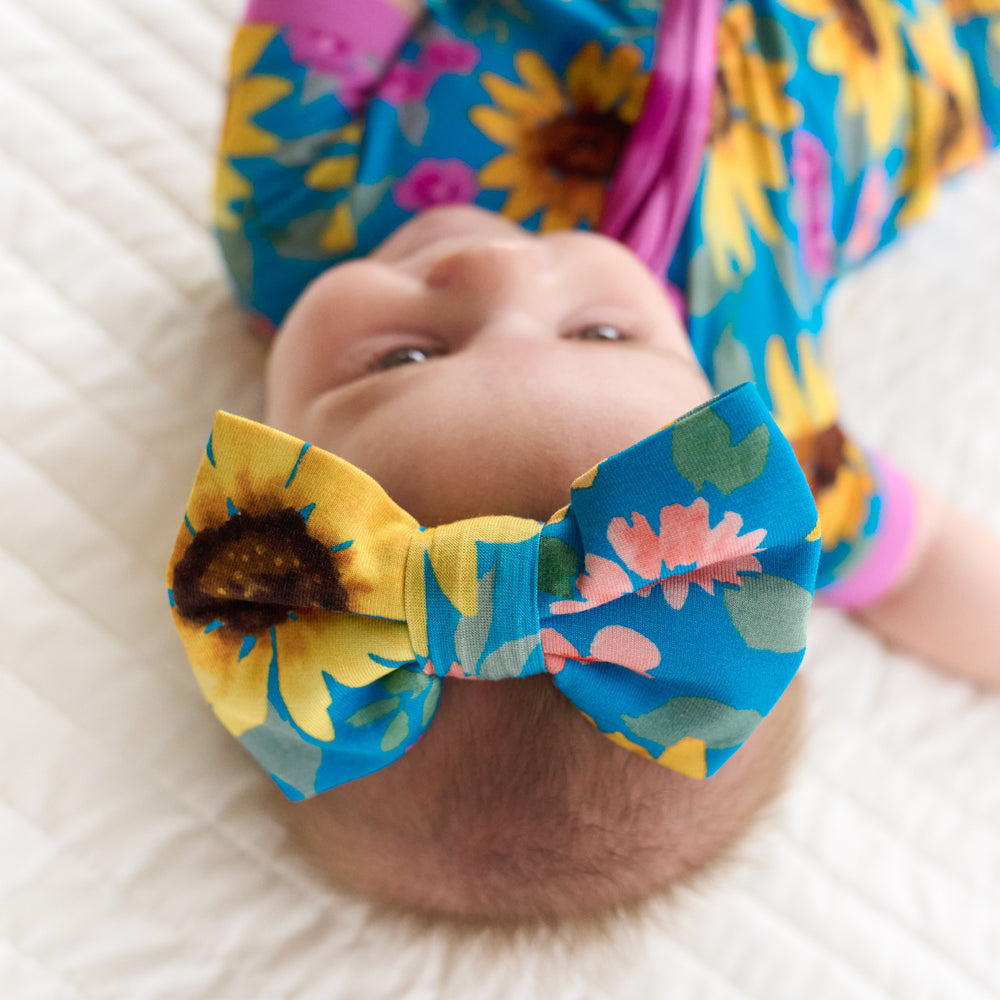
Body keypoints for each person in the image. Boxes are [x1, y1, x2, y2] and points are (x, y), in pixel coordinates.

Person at [168, 0, 1000, 927]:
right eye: (601, 333)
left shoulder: (291, 212)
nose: (492, 267)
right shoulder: (775, 465)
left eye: (404, 358)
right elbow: (923, 569)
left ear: (265, 442)